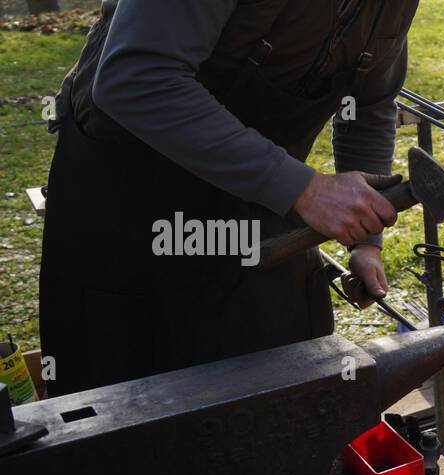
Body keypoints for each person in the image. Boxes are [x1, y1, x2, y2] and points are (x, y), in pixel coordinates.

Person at [38, 0, 421, 396]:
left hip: (265, 201)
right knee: (124, 409)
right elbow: (136, 78)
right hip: (129, 200)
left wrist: (366, 239)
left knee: (281, 398)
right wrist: (305, 189)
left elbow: (368, 106)